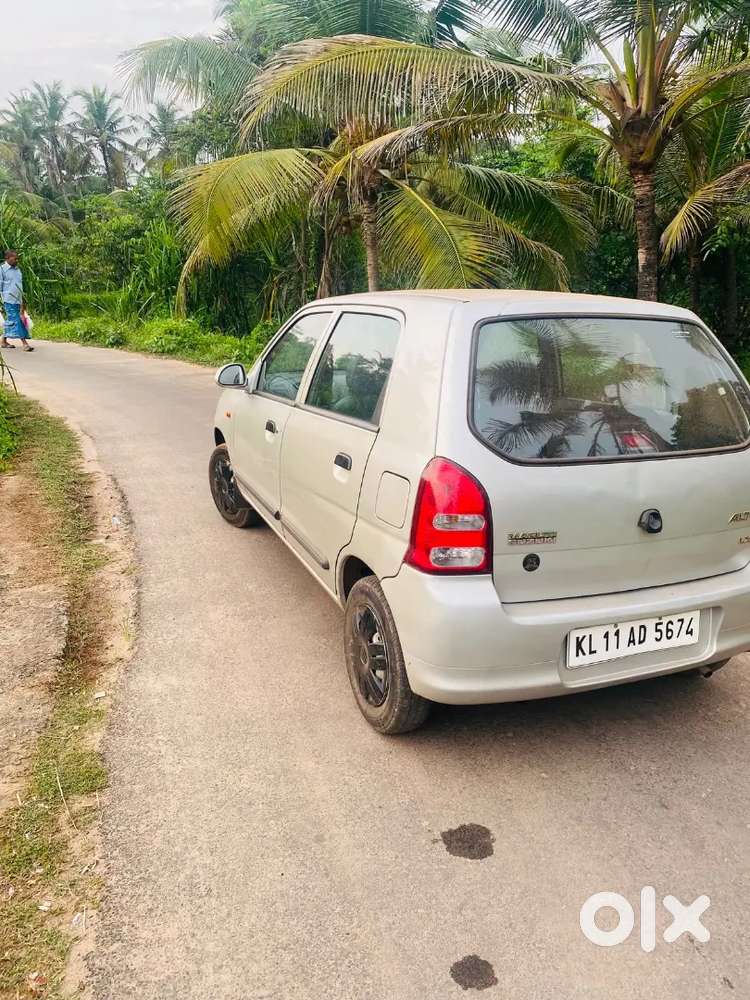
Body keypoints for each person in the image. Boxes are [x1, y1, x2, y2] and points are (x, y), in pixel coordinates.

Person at [0, 250, 33, 352]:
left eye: (17, 258)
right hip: (8, 300)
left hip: (18, 299)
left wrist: (23, 300)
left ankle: (3, 341)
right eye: (15, 258)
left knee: (11, 321)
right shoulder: (2, 269)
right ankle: (24, 343)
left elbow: (20, 285)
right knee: (17, 320)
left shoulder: (18, 270)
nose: (17, 260)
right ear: (8, 258)